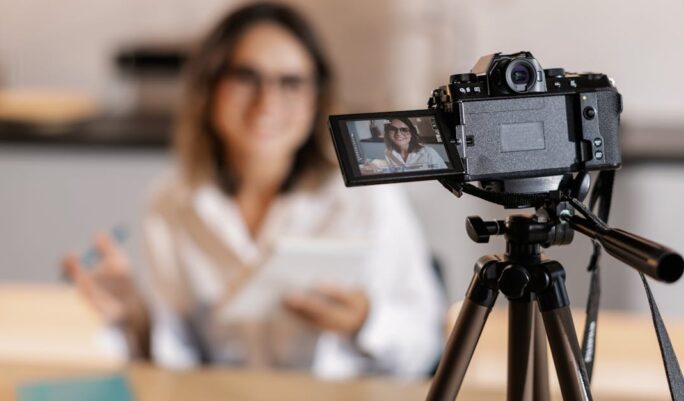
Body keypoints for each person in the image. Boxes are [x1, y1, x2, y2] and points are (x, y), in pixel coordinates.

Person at [61, 3, 443, 379]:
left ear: (316, 98)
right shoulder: (169, 204)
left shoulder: (366, 198)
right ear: (209, 90)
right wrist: (135, 317)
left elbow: (423, 347)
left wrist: (363, 321)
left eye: (291, 82)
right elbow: (176, 367)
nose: (268, 101)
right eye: (246, 76)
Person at [360, 117, 446, 174]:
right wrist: (375, 166)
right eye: (393, 129)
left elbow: (444, 176)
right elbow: (395, 171)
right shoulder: (388, 153)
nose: (398, 134)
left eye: (404, 130)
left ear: (412, 133)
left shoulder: (429, 153)